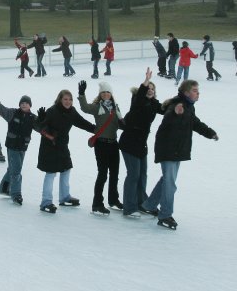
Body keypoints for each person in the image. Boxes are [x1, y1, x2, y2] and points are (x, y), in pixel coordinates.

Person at [141, 80, 218, 230]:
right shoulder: (176, 105)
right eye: (195, 90)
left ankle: (149, 205)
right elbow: (169, 117)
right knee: (170, 183)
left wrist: (210, 133)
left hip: (177, 150)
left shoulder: (188, 107)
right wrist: (175, 113)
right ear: (187, 92)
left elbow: (195, 123)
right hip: (168, 149)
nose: (198, 93)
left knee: (167, 180)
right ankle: (165, 215)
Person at [38, 90, 95, 213]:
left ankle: (64, 197)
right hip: (50, 146)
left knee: (66, 169)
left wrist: (96, 130)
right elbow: (40, 127)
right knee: (51, 173)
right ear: (60, 99)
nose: (68, 102)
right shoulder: (52, 111)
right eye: (65, 99)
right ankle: (46, 202)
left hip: (62, 145)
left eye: (70, 99)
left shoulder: (72, 112)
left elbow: (82, 123)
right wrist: (41, 120)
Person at [118, 68, 164, 218]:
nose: (150, 90)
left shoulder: (153, 104)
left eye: (152, 88)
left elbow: (166, 108)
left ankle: (142, 203)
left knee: (142, 175)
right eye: (148, 88)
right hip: (129, 143)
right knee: (133, 175)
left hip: (141, 144)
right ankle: (129, 208)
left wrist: (181, 101)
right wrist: (145, 81)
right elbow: (139, 96)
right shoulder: (138, 101)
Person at [0, 88, 41, 205]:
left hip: (23, 147)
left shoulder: (33, 118)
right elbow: (0, 109)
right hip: (12, 146)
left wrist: (43, 120)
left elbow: (41, 129)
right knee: (16, 171)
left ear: (30, 105)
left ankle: (4, 189)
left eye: (26, 103)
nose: (24, 105)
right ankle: (16, 195)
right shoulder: (12, 113)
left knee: (12, 169)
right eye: (22, 103)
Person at [78, 80, 124, 215]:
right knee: (103, 174)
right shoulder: (97, 107)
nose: (105, 94)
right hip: (101, 144)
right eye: (103, 92)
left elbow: (121, 123)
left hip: (114, 144)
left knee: (114, 174)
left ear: (111, 94)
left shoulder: (116, 107)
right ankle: (97, 204)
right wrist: (81, 94)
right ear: (100, 94)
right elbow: (85, 108)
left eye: (107, 92)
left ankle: (113, 200)